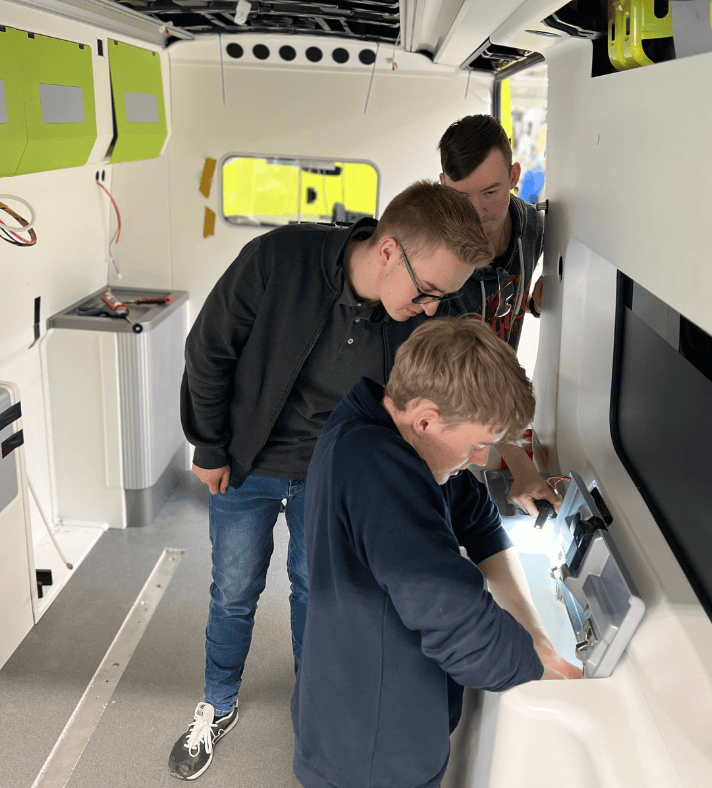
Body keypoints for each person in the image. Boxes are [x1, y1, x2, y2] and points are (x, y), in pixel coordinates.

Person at [169, 181, 494, 780]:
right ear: (389, 251)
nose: (431, 309)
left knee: (317, 596)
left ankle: (314, 706)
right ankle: (216, 703)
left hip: (335, 478)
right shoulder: (278, 259)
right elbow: (209, 349)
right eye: (427, 292)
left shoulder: (431, 316)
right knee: (233, 591)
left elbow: (457, 400)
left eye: (442, 297)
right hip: (248, 462)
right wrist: (208, 443)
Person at [292, 318, 582, 788]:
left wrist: (534, 634)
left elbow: (479, 520)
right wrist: (548, 675)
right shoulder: (377, 471)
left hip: (358, 698)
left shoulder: (392, 428)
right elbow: (461, 628)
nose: (482, 459)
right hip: (374, 746)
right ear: (426, 418)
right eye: (478, 444)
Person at [438, 114, 559, 516]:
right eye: (462, 197)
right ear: (443, 186)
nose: (477, 209)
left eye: (490, 191)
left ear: (514, 177)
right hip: (442, 410)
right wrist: (521, 465)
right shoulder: (439, 259)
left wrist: (534, 304)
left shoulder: (534, 228)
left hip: (492, 411)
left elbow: (501, 300)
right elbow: (465, 374)